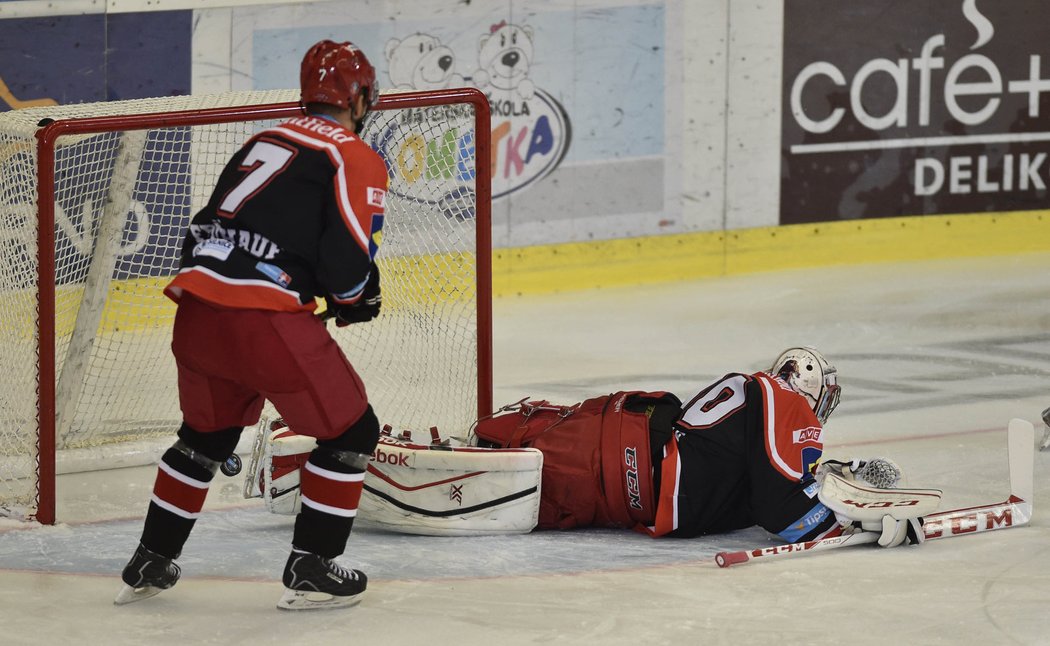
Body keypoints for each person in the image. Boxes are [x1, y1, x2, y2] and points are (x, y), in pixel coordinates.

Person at [115, 39, 389, 611]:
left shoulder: (265, 137)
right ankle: (313, 563)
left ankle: (151, 557)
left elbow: (215, 222)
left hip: (195, 311)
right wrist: (355, 296)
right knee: (352, 433)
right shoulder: (352, 154)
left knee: (204, 439)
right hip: (262, 320)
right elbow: (346, 256)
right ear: (360, 97)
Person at [471, 346, 926, 547]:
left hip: (627, 463)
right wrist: (853, 528)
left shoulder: (757, 399)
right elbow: (782, 511)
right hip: (635, 477)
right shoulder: (786, 401)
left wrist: (837, 485)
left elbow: (761, 485)